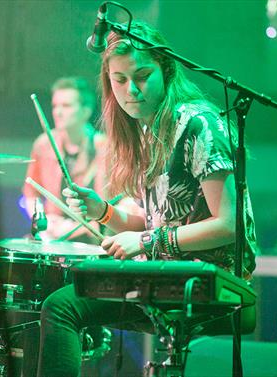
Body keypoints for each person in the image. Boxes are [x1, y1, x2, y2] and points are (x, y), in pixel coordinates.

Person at [36, 21, 258, 377]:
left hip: (213, 283)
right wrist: (103, 211)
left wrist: (143, 240)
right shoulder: (146, 129)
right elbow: (158, 220)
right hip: (168, 275)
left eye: (142, 75)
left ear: (166, 70)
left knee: (62, 308)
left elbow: (229, 226)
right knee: (62, 297)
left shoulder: (199, 124)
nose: (131, 90)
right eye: (119, 80)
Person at [23, 76, 107, 242]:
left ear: (86, 110)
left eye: (66, 106)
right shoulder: (43, 144)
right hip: (53, 234)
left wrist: (74, 227)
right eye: (55, 106)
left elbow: (110, 206)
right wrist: (41, 218)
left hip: (91, 237)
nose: (58, 112)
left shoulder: (104, 147)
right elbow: (30, 194)